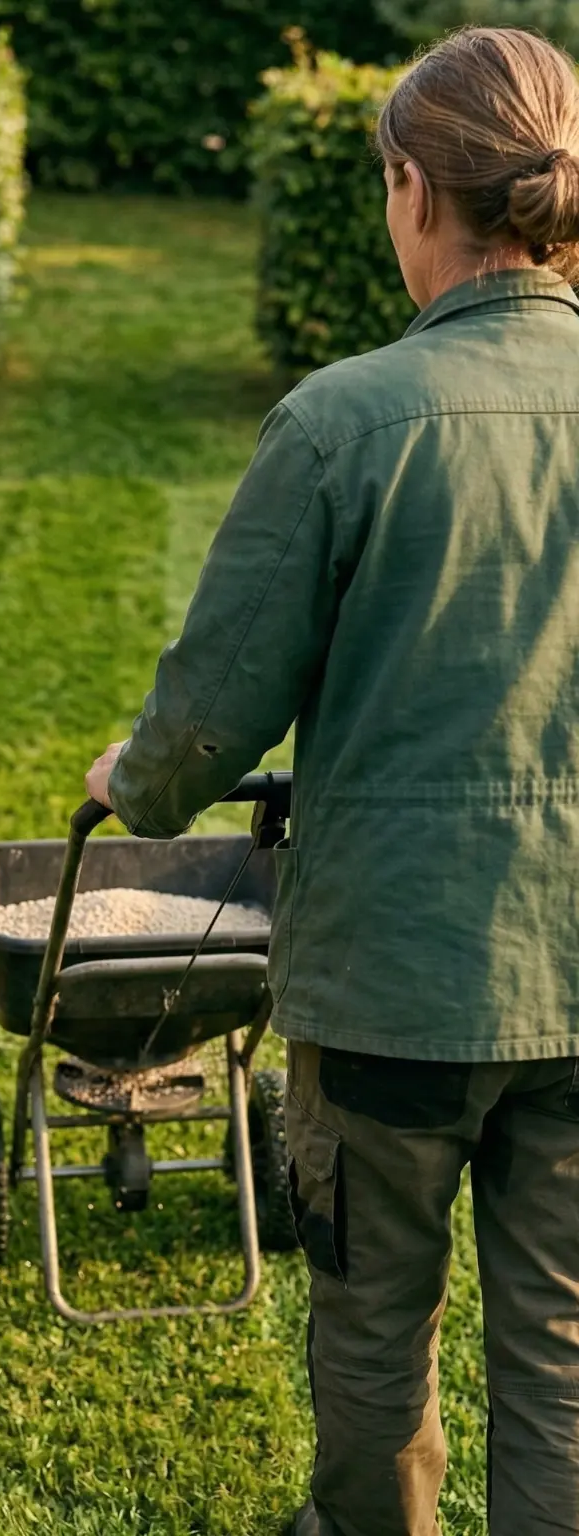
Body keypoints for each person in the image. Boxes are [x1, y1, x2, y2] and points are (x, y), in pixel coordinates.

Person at [85, 25, 579, 1536]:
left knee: (374, 1331)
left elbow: (209, 716)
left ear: (414, 188)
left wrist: (135, 783)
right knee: (563, 1350)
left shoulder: (344, 422)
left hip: (389, 992)